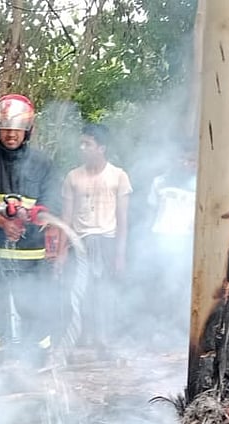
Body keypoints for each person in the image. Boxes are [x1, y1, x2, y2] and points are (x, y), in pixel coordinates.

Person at [0, 93, 59, 366]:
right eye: (7, 128)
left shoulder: (42, 163)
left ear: (28, 130)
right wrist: (1, 221)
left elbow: (53, 200)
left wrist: (32, 215)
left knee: (33, 304)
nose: (12, 134)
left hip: (30, 253)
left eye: (18, 128)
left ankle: (39, 359)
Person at [61, 123, 132, 350]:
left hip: (106, 240)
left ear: (101, 147)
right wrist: (62, 250)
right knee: (80, 291)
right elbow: (66, 217)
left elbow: (122, 219)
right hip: (79, 242)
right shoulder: (73, 177)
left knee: (104, 292)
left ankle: (103, 338)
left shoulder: (118, 176)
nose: (82, 148)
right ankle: (83, 336)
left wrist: (120, 255)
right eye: (81, 143)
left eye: (88, 144)